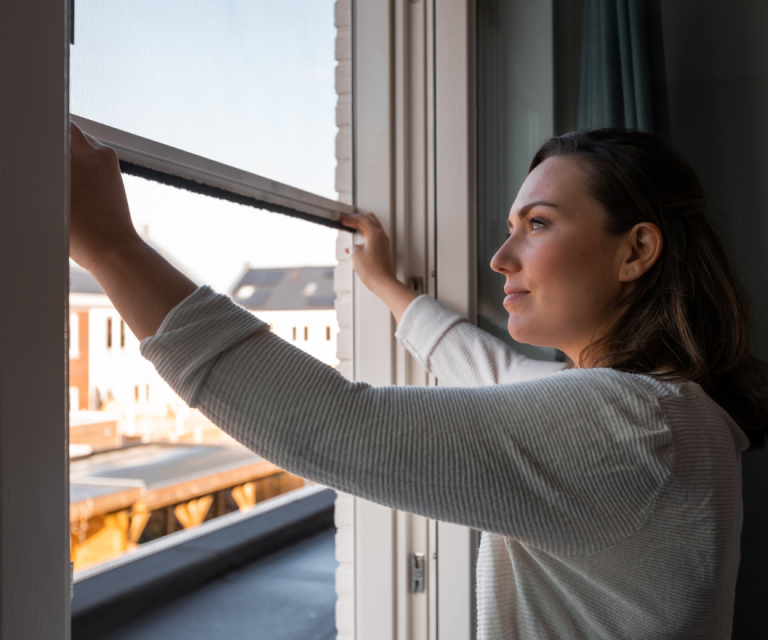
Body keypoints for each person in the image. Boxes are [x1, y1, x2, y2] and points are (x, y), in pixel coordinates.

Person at [69, 121, 768, 640]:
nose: (500, 257)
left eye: (538, 224)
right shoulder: (676, 415)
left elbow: (334, 426)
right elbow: (494, 373)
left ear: (637, 250)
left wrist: (113, 246)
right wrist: (391, 290)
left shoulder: (630, 427)